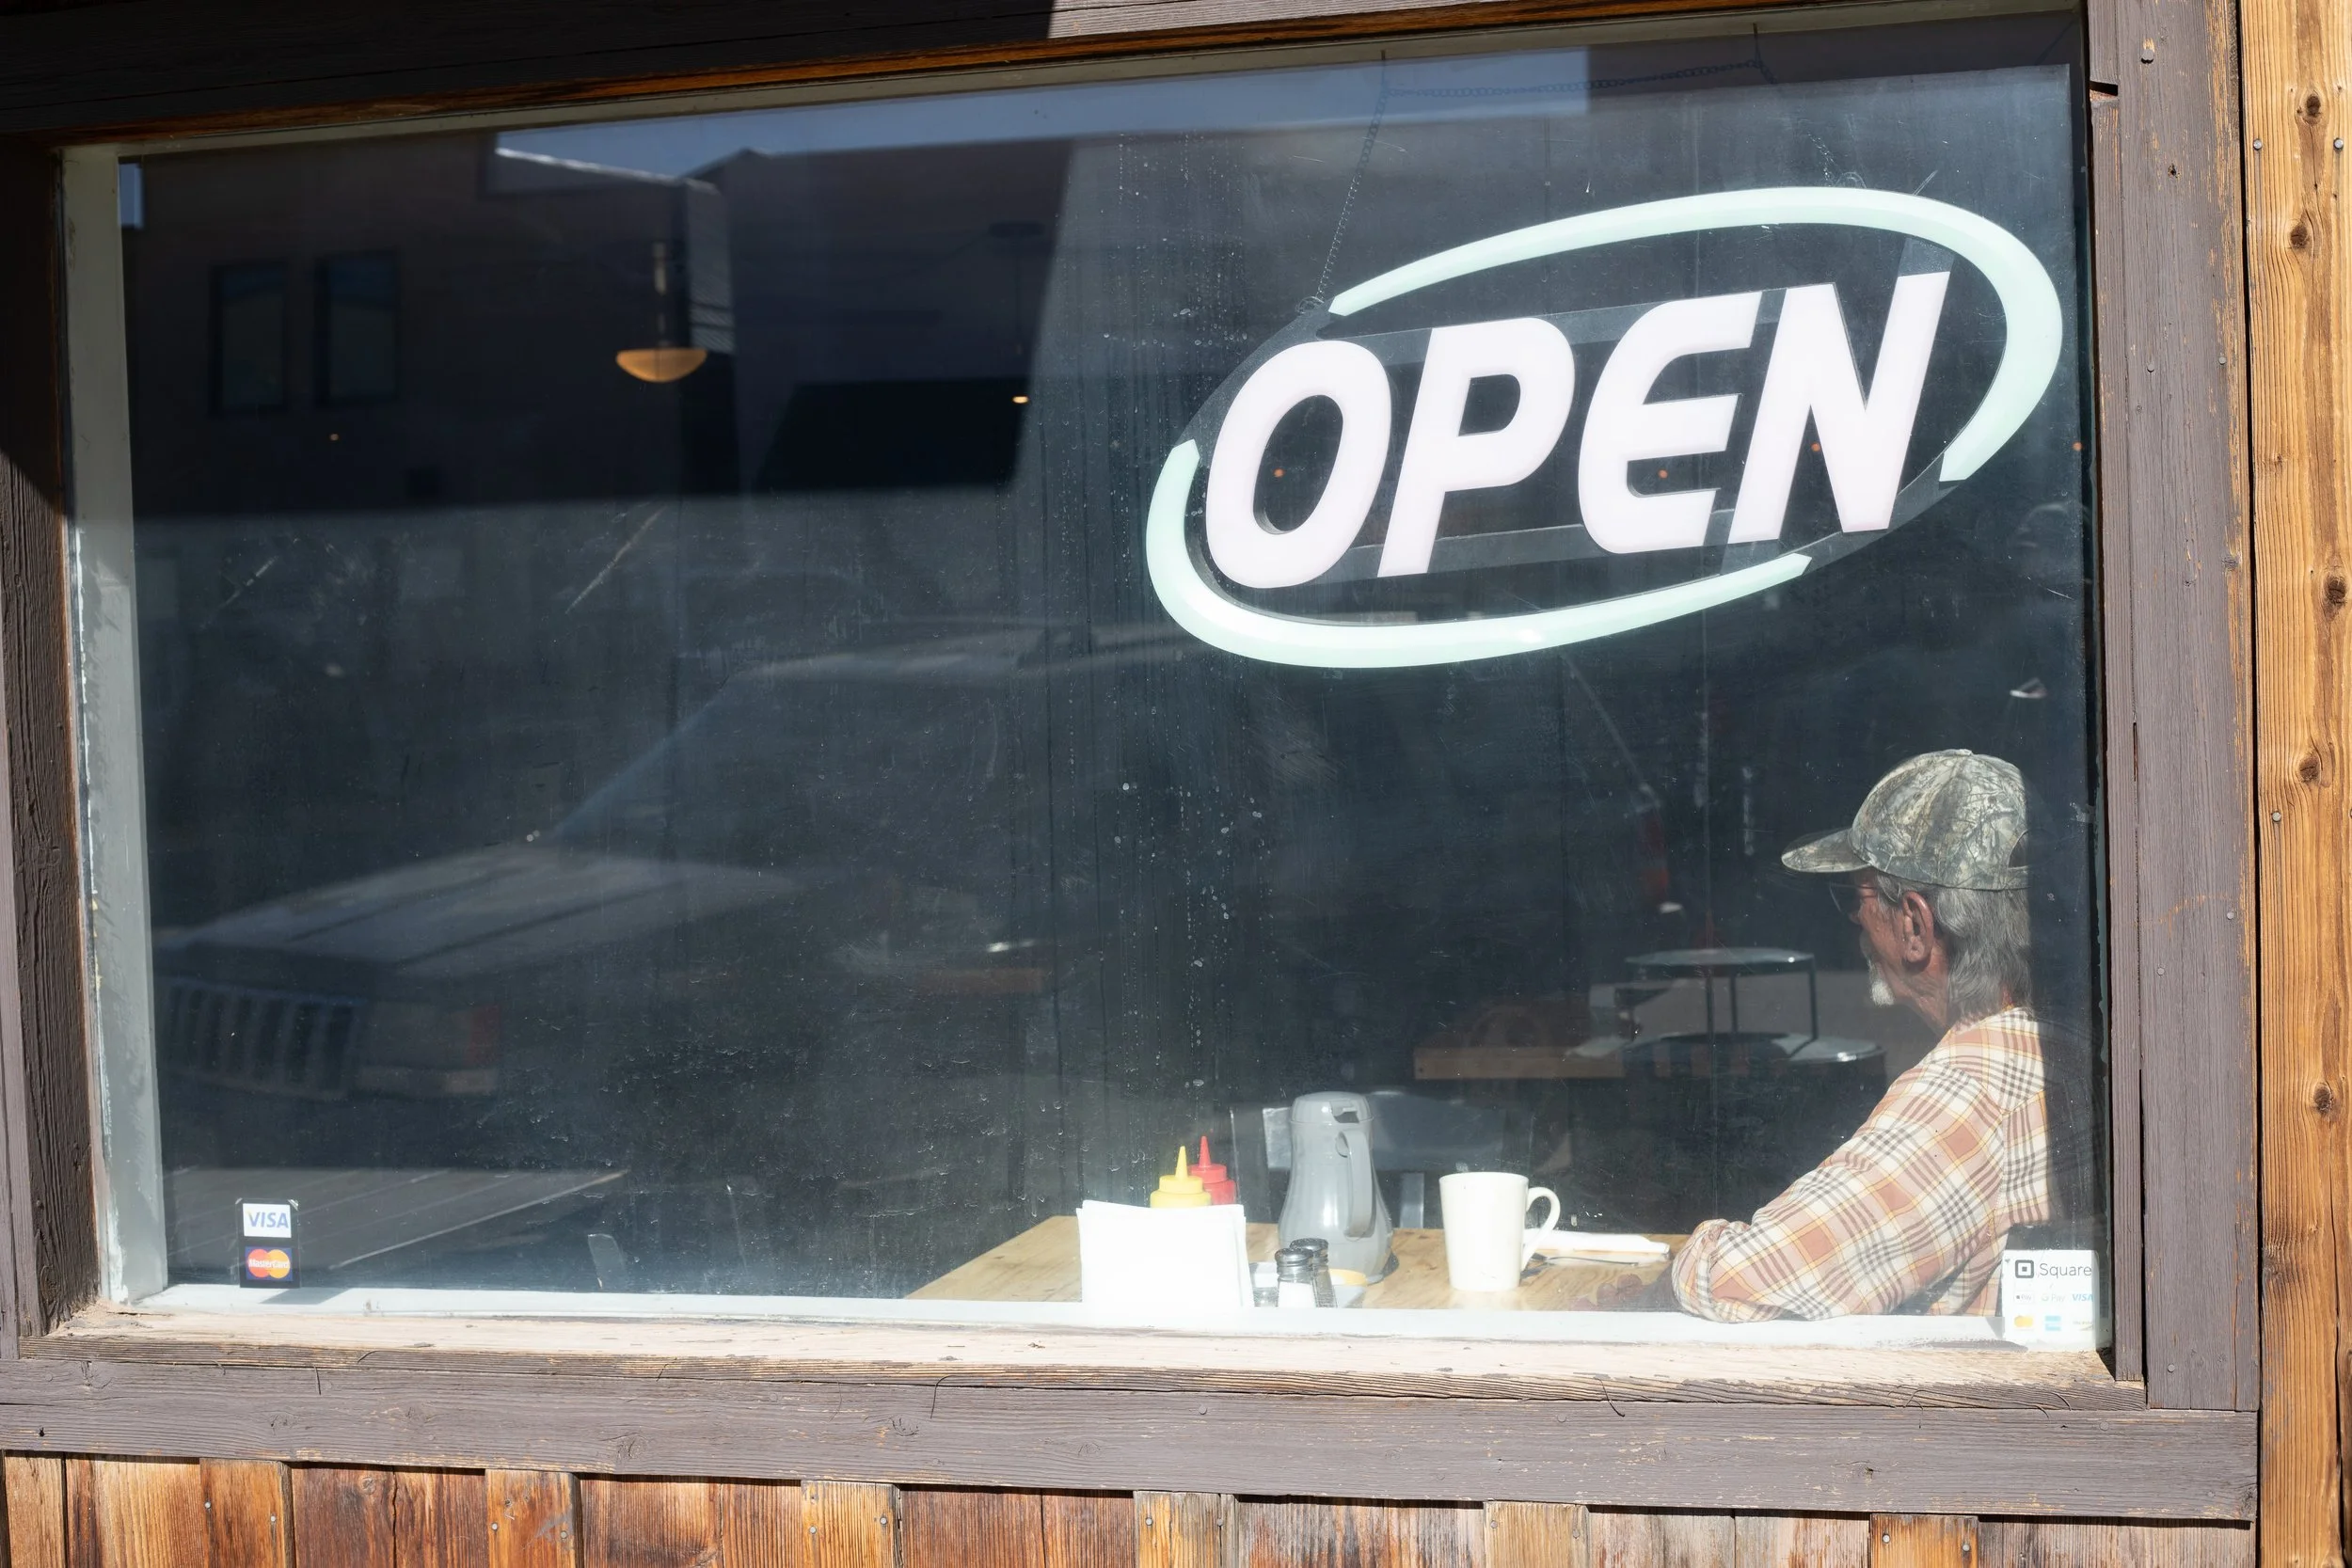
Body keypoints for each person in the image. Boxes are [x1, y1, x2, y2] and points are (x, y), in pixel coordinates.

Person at [1670, 749, 2079, 1322]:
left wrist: (1678, 1260)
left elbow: (1739, 1282)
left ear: (1914, 924)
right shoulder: (2081, 1042)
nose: (1857, 923)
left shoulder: (1973, 1091)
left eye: (1855, 897)